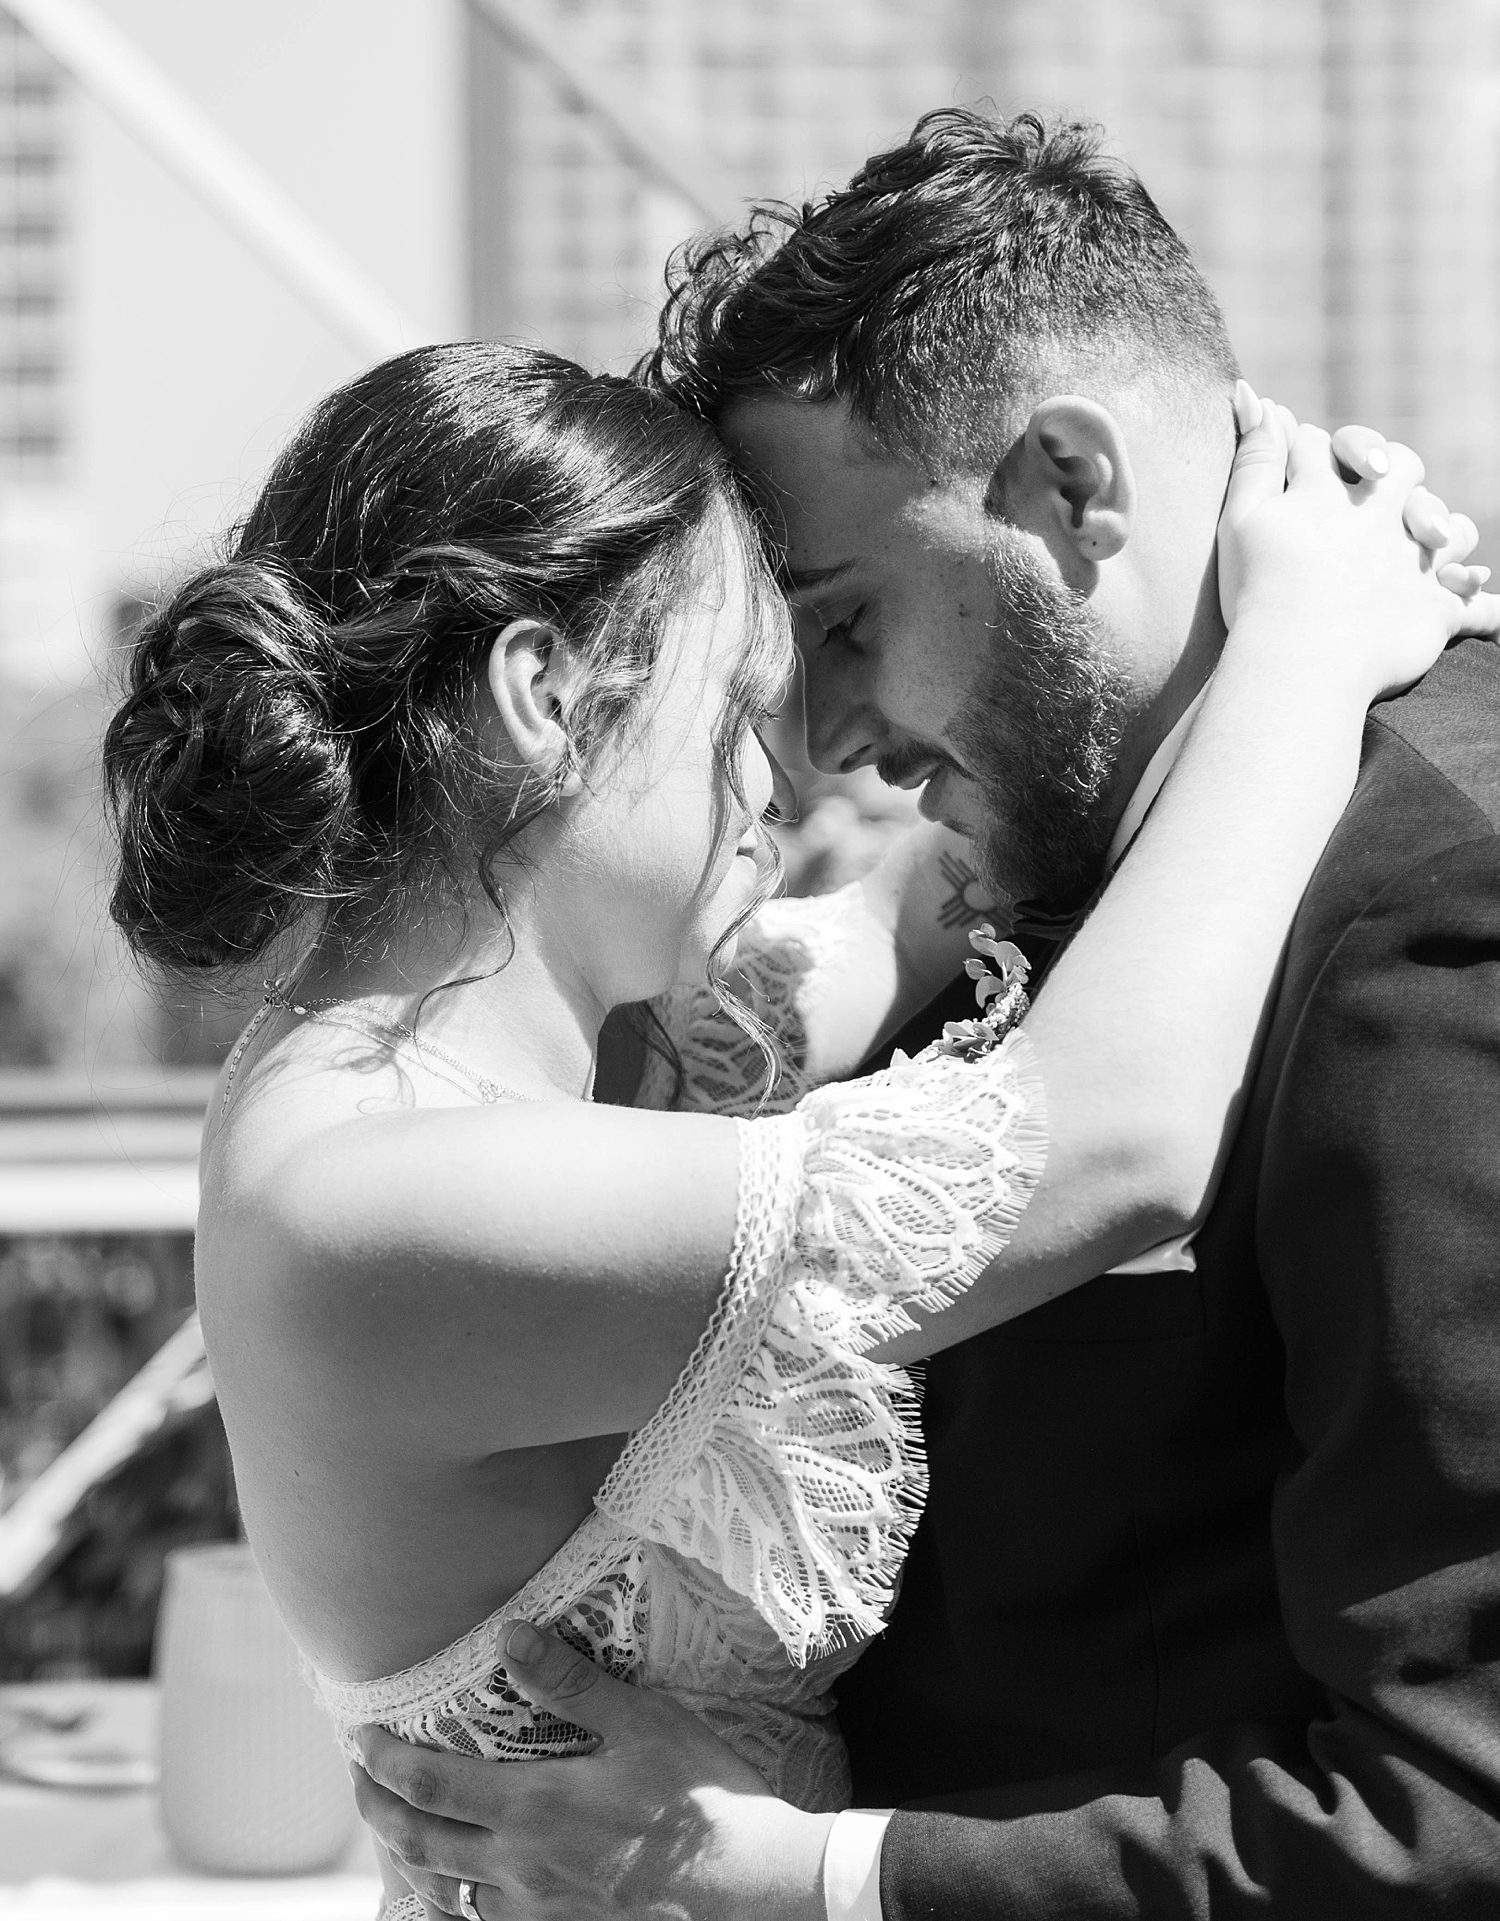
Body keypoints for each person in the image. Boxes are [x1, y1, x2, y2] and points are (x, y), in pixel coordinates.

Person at [348, 114, 1500, 1921]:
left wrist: (810, 1872)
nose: (818, 739)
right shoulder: (1030, 858)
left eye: (842, 618)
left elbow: (1459, 1812)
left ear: (1068, 482)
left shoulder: (1433, 904)